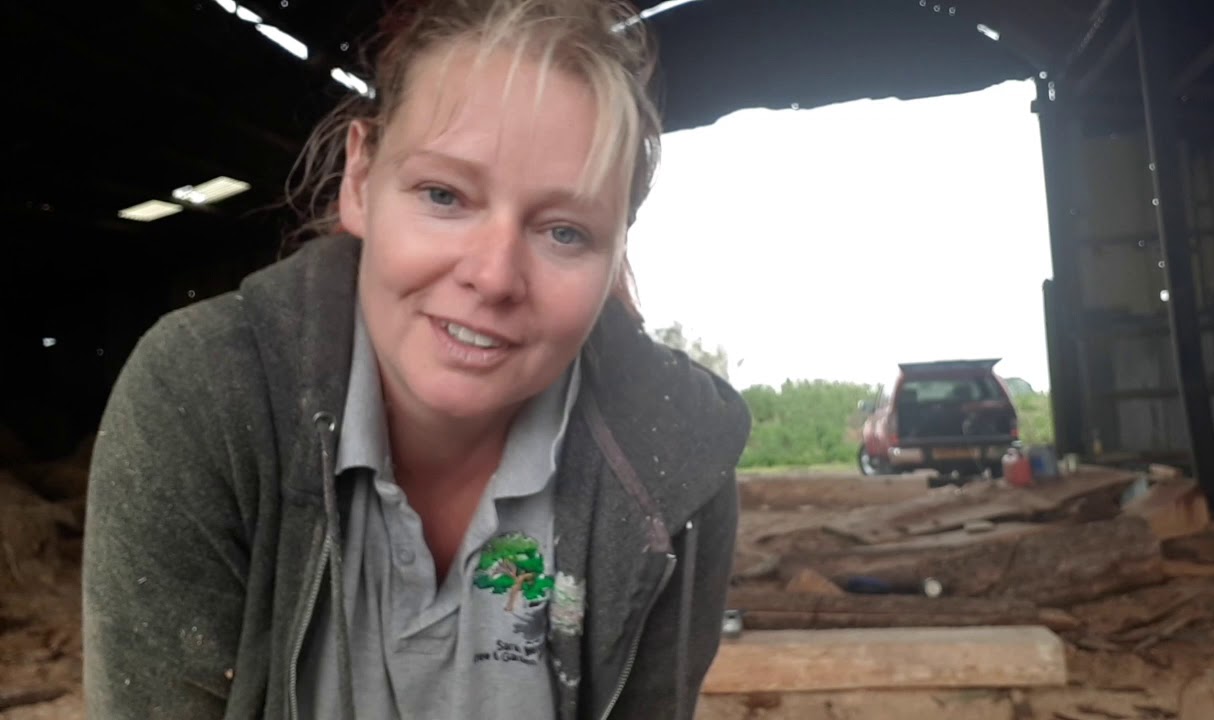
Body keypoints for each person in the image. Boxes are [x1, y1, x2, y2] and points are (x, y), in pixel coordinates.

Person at [81, 1, 750, 718]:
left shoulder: (675, 460)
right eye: (443, 194)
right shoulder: (204, 399)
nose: (493, 277)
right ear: (361, 179)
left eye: (564, 232)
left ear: (617, 247)